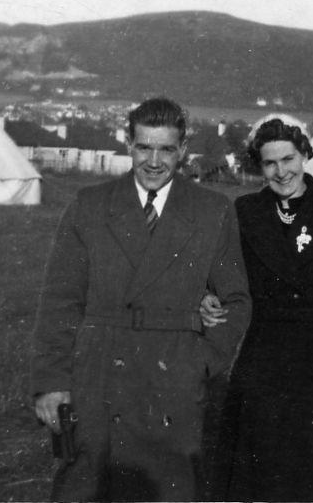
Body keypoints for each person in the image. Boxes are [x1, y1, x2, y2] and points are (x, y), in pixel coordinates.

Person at [31, 97, 251, 502]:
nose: (154, 161)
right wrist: (52, 381)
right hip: (98, 374)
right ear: (128, 143)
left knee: (168, 488)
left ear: (182, 150)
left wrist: (199, 364)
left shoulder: (211, 211)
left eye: (166, 149)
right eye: (143, 147)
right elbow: (60, 301)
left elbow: (236, 301)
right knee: (90, 484)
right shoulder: (90, 206)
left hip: (172, 380)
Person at [202, 115, 313, 501]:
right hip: (265, 360)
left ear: (304, 155)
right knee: (262, 471)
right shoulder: (246, 211)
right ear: (259, 165)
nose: (281, 171)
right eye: (270, 163)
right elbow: (222, 272)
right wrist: (208, 293)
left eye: (288, 159)